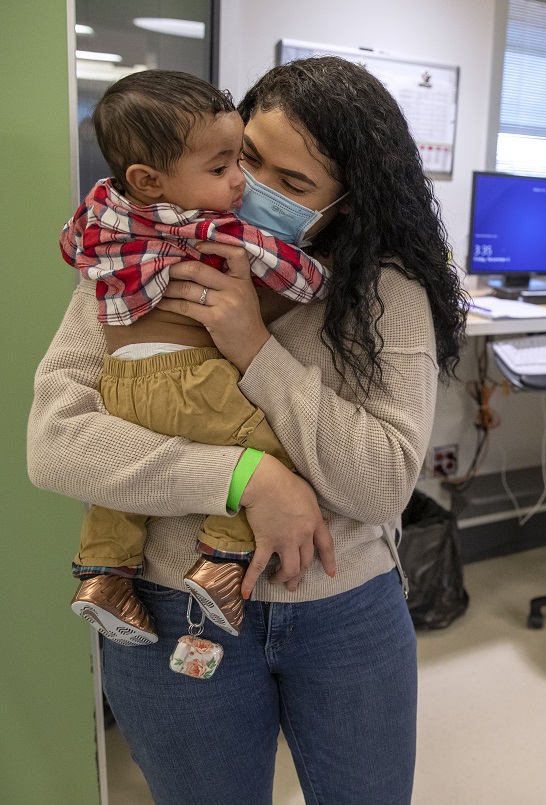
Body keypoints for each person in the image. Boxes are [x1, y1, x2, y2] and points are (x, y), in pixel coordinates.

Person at [28, 56, 466, 804]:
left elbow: (383, 483)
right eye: (245, 157)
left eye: (291, 185)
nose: (245, 187)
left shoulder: (386, 290)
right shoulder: (132, 254)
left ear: (345, 205)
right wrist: (246, 477)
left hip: (344, 608)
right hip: (168, 604)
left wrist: (254, 349)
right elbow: (56, 443)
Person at [62, 69, 333, 645]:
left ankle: (103, 577)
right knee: (264, 443)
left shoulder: (102, 209)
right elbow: (296, 277)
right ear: (150, 179)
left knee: (116, 492)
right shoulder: (213, 230)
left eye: (288, 178)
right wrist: (319, 277)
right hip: (188, 376)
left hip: (120, 382)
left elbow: (71, 248)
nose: (240, 184)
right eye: (226, 167)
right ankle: (220, 561)